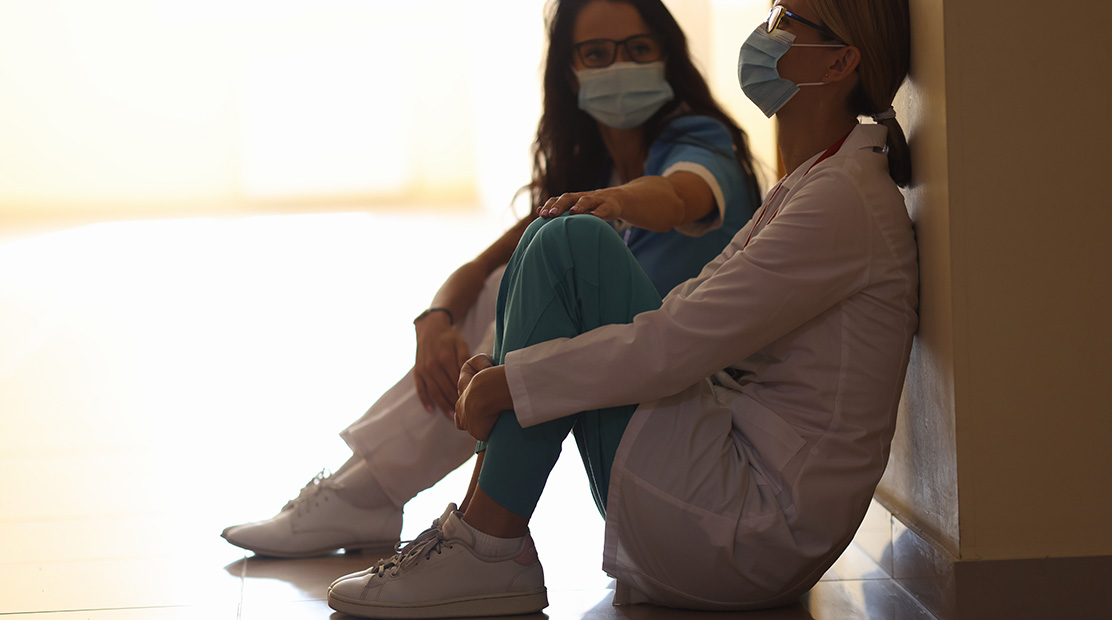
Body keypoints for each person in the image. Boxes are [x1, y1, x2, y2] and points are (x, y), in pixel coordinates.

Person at [325, 0, 917, 616]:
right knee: (556, 236)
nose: (763, 32)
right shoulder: (819, 182)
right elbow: (689, 313)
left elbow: (676, 339)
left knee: (571, 240)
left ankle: (484, 541)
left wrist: (514, 383)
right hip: (726, 499)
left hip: (750, 531)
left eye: (785, 16)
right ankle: (477, 534)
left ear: (839, 60)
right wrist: (506, 369)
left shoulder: (840, 200)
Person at [221, 0, 761, 558]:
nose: (619, 66)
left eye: (639, 49)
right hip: (624, 387)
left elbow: (678, 195)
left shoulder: (700, 140)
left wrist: (616, 202)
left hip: (691, 407)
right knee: (505, 279)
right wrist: (434, 321)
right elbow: (479, 269)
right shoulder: (593, 172)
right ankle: (364, 492)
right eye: (597, 53)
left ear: (667, 56)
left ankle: (375, 498)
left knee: (535, 293)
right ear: (569, 70)